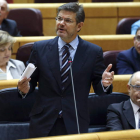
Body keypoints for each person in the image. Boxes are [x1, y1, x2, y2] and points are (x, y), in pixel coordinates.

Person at [18, 2, 114, 138]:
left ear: (79, 26)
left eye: (68, 20)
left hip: (75, 120)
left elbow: (99, 90)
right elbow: (30, 82)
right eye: (59, 18)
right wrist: (24, 88)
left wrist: (104, 84)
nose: (61, 23)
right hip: (43, 121)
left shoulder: (93, 52)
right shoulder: (40, 48)